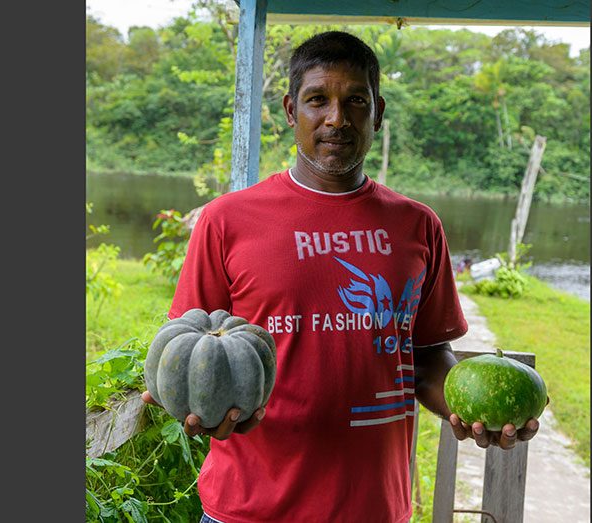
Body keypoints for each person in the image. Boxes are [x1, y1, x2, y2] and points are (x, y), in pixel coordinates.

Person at [141, 31, 542, 523]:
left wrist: (471, 413)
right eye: (317, 100)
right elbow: (190, 350)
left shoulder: (418, 226)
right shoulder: (227, 221)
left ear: (379, 111)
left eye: (356, 100)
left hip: (374, 507)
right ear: (291, 110)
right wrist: (196, 411)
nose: (337, 118)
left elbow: (426, 355)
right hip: (250, 508)